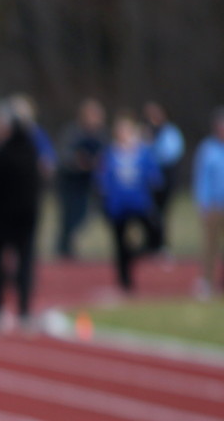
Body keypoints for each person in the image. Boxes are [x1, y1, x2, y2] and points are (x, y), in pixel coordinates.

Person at [0, 100, 43, 332]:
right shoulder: (32, 150)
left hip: (5, 215)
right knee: (25, 261)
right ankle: (24, 311)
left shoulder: (2, 152)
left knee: (0, 262)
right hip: (28, 214)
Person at [97, 112, 163, 294]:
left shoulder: (143, 152)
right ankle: (124, 281)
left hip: (140, 204)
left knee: (153, 235)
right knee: (120, 244)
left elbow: (155, 177)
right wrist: (105, 201)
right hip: (118, 207)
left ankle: (135, 255)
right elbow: (103, 180)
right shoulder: (110, 153)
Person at [54, 99, 108, 260]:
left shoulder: (102, 135)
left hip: (90, 184)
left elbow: (107, 156)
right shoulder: (73, 132)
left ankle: (68, 244)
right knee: (69, 215)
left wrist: (98, 164)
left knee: (86, 214)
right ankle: (64, 248)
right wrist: (77, 162)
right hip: (70, 182)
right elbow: (63, 155)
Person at [142, 101, 184, 254]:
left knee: (162, 212)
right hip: (148, 180)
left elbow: (170, 154)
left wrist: (152, 146)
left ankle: (161, 244)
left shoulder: (170, 132)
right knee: (148, 212)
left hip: (166, 179)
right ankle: (150, 243)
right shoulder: (146, 131)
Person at [192, 107, 224, 300]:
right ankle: (207, 283)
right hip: (213, 206)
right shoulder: (208, 149)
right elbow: (201, 178)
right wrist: (202, 203)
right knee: (210, 247)